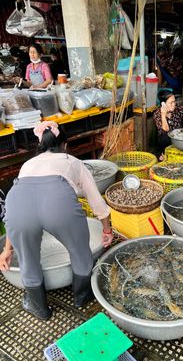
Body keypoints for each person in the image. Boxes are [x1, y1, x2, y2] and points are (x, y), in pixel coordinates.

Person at [0, 121, 113, 321]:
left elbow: (13, 215)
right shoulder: (72, 161)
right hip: (58, 203)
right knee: (80, 251)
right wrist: (107, 230)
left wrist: (7, 250)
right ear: (65, 145)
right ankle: (82, 298)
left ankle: (40, 309)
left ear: (40, 145)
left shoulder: (27, 165)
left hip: (18, 204)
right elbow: (96, 201)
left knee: (27, 259)